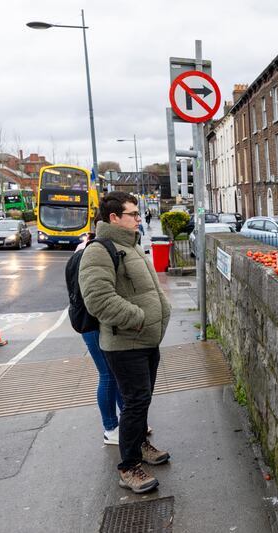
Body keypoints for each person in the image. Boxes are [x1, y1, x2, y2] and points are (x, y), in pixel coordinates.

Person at [79, 192, 172, 494]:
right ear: (114, 218)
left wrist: (160, 314)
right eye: (132, 214)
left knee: (142, 400)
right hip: (125, 343)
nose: (138, 219)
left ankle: (141, 445)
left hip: (146, 340)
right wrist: (139, 318)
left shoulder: (129, 245)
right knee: (134, 402)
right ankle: (128, 467)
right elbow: (98, 299)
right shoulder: (99, 250)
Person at [75, 232, 124, 446]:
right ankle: (110, 428)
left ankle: (127, 421)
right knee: (108, 375)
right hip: (93, 323)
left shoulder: (83, 252)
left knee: (115, 375)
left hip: (90, 322)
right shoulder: (91, 255)